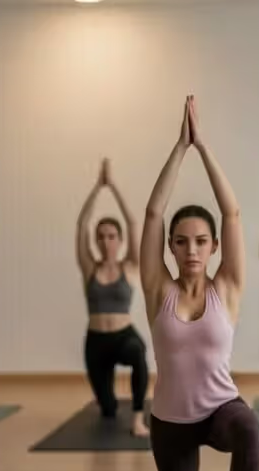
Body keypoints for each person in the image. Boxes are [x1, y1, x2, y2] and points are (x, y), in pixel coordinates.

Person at [140, 96, 259, 471]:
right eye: (181, 241)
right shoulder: (157, 290)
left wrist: (204, 148)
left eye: (200, 241)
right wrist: (178, 148)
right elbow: (152, 214)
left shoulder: (227, 288)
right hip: (170, 423)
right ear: (170, 247)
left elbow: (231, 214)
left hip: (218, 410)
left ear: (213, 247)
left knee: (250, 429)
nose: (190, 249)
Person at [76, 158, 149, 436]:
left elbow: (133, 222)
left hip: (123, 336)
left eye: (111, 236)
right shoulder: (89, 268)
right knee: (107, 410)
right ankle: (107, 400)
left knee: (138, 353)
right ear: (97, 241)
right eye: (102, 237)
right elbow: (82, 224)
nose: (107, 241)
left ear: (120, 240)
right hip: (96, 342)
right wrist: (97, 188)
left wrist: (114, 187)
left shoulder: (130, 267)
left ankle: (138, 418)